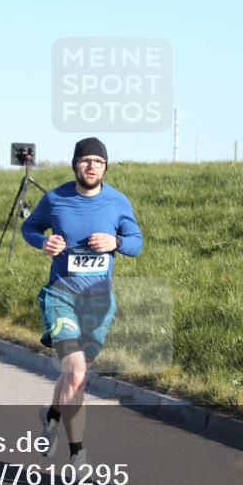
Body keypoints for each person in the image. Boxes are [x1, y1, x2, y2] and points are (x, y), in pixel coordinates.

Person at [22, 137, 143, 467]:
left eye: (98, 162)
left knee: (74, 375)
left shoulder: (117, 202)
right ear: (75, 164)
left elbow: (136, 243)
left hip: (99, 303)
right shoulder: (55, 199)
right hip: (61, 296)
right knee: (75, 372)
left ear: (105, 167)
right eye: (85, 161)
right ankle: (78, 454)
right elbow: (29, 227)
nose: (91, 166)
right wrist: (43, 242)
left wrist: (115, 241)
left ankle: (51, 415)